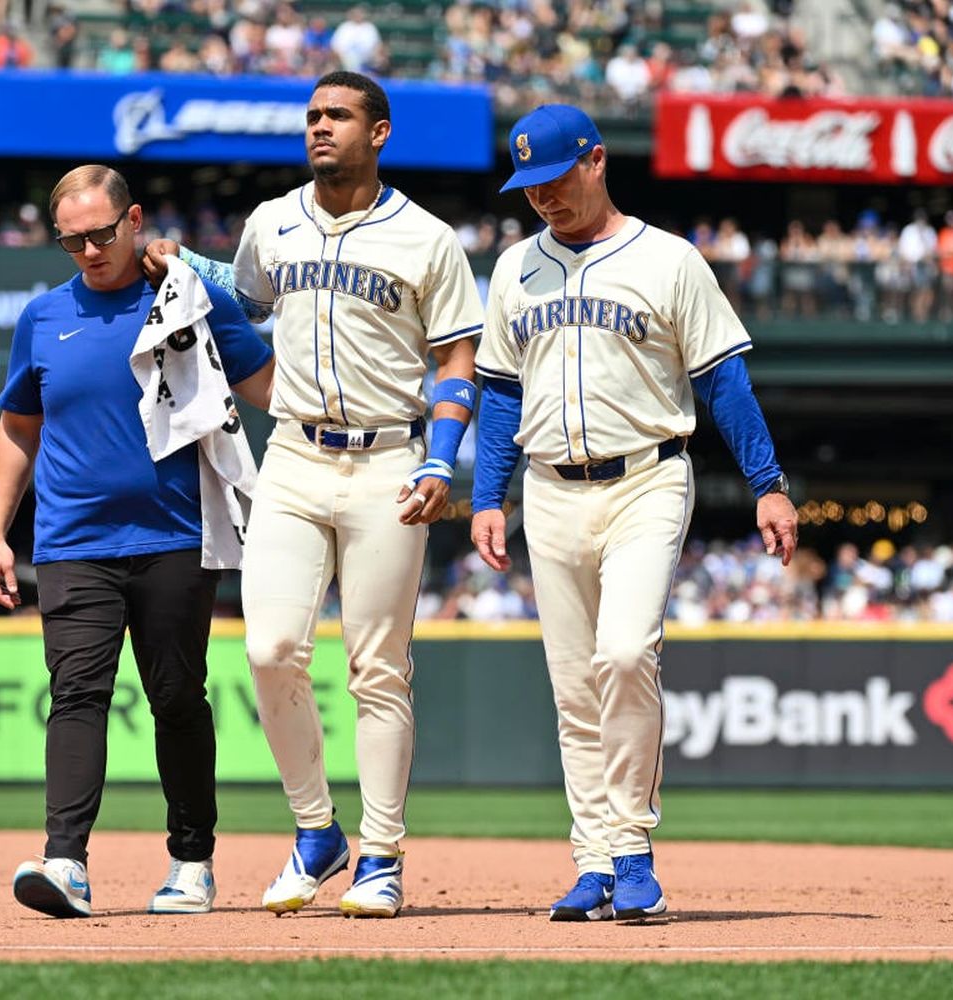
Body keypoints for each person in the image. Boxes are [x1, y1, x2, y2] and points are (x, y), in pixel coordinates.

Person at [143, 71, 482, 918]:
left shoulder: (428, 238)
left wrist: (443, 460)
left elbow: (455, 362)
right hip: (292, 454)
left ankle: (383, 855)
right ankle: (316, 832)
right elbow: (247, 297)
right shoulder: (274, 221)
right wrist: (183, 261)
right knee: (269, 651)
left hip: (389, 460)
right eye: (312, 116)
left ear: (380, 132)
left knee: (378, 669)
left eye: (337, 116)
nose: (319, 127)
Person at [469, 105, 797, 922]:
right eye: (527, 186)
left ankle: (632, 846)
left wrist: (768, 482)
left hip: (647, 478)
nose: (539, 198)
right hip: (547, 488)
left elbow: (724, 379)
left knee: (623, 655)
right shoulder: (515, 268)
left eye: (551, 179)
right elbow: (501, 396)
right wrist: (487, 495)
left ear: (596, 160)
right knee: (574, 688)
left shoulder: (669, 259)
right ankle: (594, 862)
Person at [0, 164, 274, 919]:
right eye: (71, 239)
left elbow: (266, 383)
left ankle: (191, 863)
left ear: (134, 219)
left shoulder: (183, 298)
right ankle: (66, 862)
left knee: (177, 697)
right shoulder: (43, 318)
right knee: (76, 692)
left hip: (177, 535)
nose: (87, 251)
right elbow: (19, 427)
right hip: (73, 540)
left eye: (100, 234)